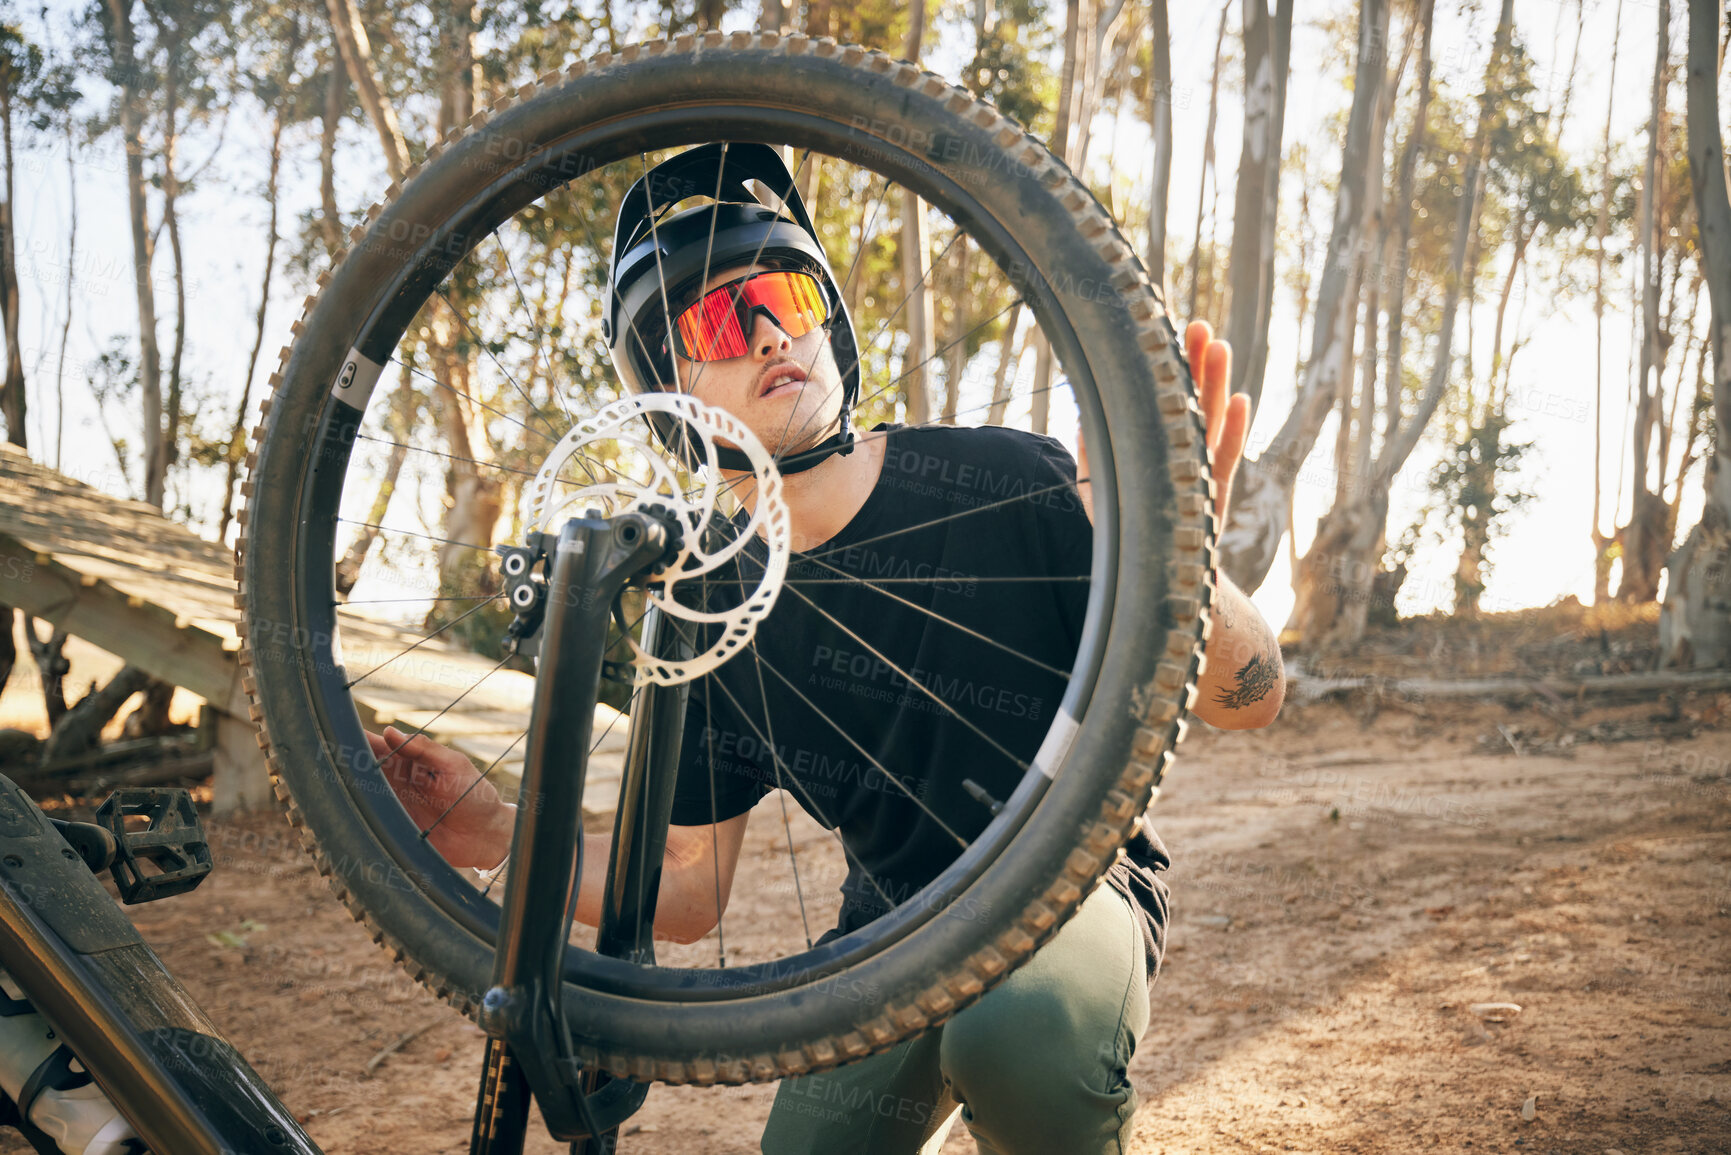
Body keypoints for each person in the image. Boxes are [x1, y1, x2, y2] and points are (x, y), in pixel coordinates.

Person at [371, 144, 1284, 1155]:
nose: (766, 328)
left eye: (785, 295)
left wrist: (1182, 559)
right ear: (669, 393)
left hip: (1073, 877)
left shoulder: (1005, 476)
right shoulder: (707, 605)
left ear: (828, 325)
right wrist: (497, 829)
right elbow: (683, 890)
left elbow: (1252, 701)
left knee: (1018, 1038)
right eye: (718, 318)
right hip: (888, 927)